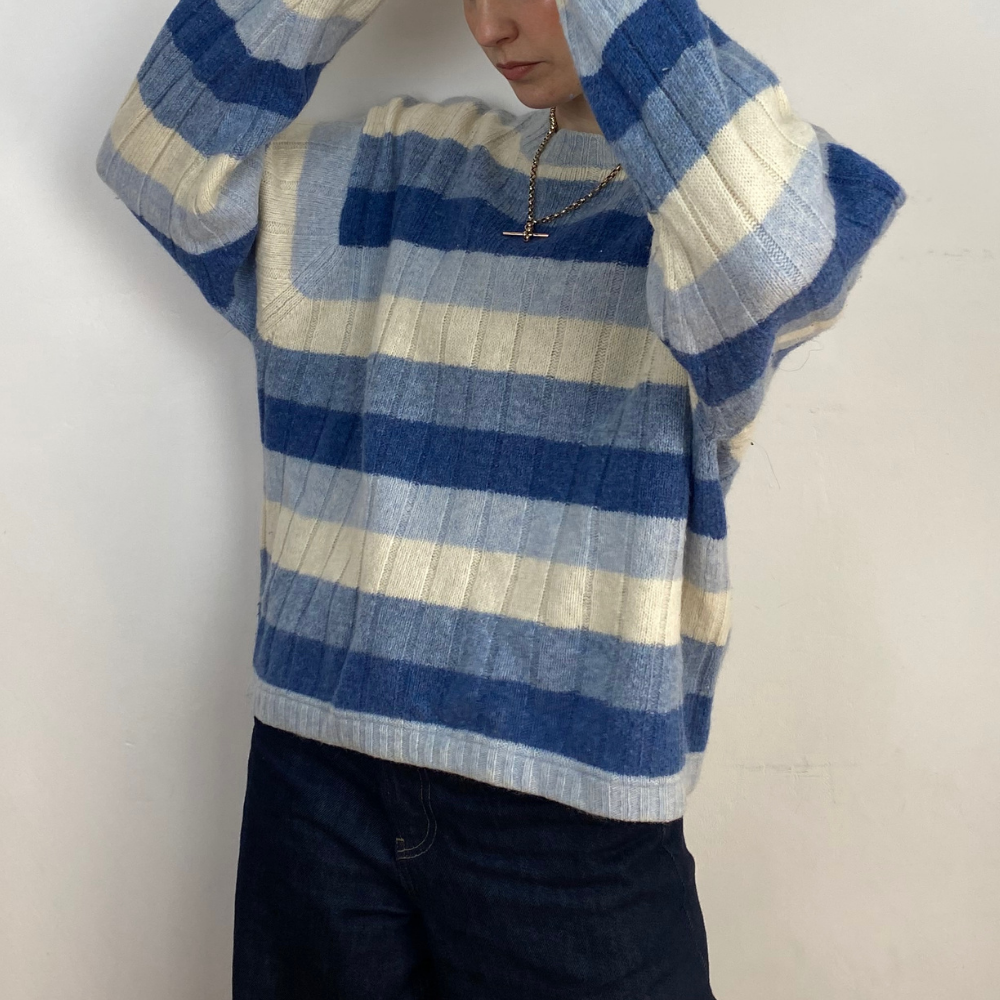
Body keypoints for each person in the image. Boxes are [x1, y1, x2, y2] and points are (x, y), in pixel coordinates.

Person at [96, 0, 904, 995]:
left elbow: (774, 260)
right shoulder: (392, 167)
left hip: (571, 810)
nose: (489, 26)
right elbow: (160, 158)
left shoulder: (713, 222)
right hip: (318, 772)